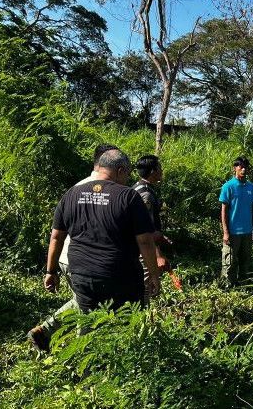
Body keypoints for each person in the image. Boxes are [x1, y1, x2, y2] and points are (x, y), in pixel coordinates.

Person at [31, 148, 160, 350]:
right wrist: (153, 275)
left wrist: (51, 271)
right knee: (127, 324)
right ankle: (125, 363)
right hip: (120, 276)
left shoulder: (72, 193)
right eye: (127, 174)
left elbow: (56, 236)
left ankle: (86, 370)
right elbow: (145, 241)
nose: (127, 179)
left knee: (87, 323)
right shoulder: (128, 196)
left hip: (81, 274)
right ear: (120, 170)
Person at [27, 144, 120, 351]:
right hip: (85, 260)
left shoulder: (76, 188)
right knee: (88, 308)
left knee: (81, 299)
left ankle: (44, 331)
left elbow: (57, 235)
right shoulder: (111, 192)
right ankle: (80, 356)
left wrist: (51, 270)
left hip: (67, 258)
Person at [133, 155, 171, 302]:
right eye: (159, 168)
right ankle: (141, 317)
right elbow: (145, 231)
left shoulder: (138, 187)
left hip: (140, 246)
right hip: (143, 250)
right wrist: (158, 255)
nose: (162, 170)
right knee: (146, 287)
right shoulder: (146, 194)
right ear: (153, 171)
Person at [219, 156, 253, 287]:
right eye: (240, 166)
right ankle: (227, 286)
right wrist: (226, 232)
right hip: (233, 232)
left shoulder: (251, 187)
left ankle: (243, 285)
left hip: (247, 232)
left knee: (245, 261)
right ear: (235, 168)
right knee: (229, 262)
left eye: (245, 167)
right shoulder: (228, 187)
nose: (243, 169)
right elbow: (224, 211)